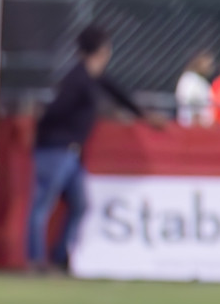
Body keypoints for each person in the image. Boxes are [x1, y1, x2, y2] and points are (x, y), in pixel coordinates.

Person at [28, 27, 163, 270]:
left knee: (80, 205)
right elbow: (56, 109)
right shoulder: (76, 79)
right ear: (103, 50)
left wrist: (143, 115)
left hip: (72, 153)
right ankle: (36, 261)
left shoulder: (91, 77)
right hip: (56, 149)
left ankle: (60, 257)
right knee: (42, 206)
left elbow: (118, 92)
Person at [175, 51, 215, 128]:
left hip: (204, 128)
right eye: (207, 63)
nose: (209, 66)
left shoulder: (202, 81)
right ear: (198, 61)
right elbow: (185, 101)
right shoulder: (189, 79)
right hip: (193, 128)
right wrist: (196, 121)